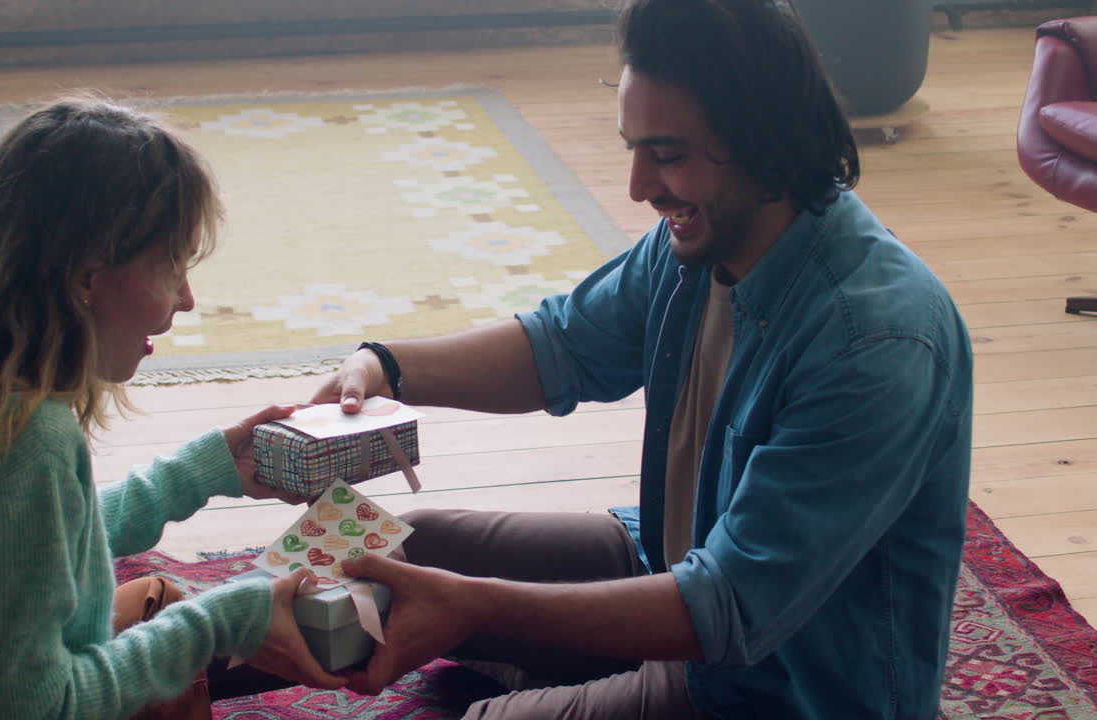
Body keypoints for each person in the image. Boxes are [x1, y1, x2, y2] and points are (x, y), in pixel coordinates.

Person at [313, 0, 974, 717]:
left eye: (666, 155)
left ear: (766, 140)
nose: (638, 187)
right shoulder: (700, 235)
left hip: (771, 685)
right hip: (674, 575)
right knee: (406, 547)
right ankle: (183, 658)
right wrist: (381, 364)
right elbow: (561, 344)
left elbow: (727, 608)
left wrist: (475, 608)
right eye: (634, 148)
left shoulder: (875, 342)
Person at [0, 97, 343, 720]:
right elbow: (44, 708)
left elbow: (18, 554)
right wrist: (217, 621)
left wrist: (198, 474)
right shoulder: (26, 443)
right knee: (178, 624)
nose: (186, 299)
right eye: (170, 266)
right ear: (87, 279)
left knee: (160, 601)